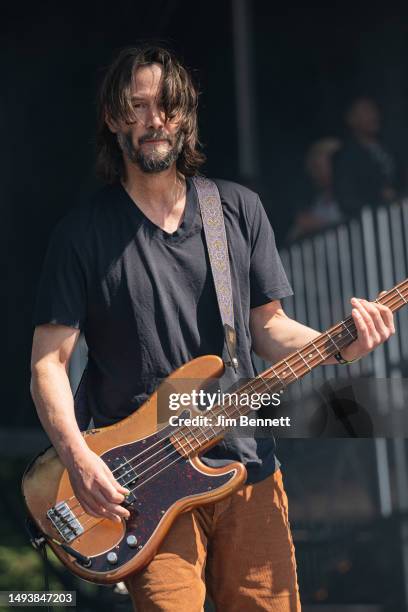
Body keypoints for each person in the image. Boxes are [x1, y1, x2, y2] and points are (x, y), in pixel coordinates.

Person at [30, 45, 396, 612]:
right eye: (139, 105)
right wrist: (80, 461)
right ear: (112, 118)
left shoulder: (237, 209)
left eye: (169, 106)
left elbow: (270, 329)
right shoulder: (81, 235)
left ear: (187, 116)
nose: (156, 120)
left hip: (248, 471)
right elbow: (48, 364)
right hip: (140, 486)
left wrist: (342, 346)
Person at [333, 97, 398, 217]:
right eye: (365, 111)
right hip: (372, 224)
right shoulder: (345, 158)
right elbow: (347, 199)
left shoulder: (391, 146)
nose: (373, 115)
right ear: (351, 119)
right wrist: (379, 196)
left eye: (373, 110)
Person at [287, 138, 343, 242]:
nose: (316, 173)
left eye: (319, 167)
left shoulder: (352, 197)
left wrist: (320, 225)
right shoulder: (318, 203)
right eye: (314, 168)